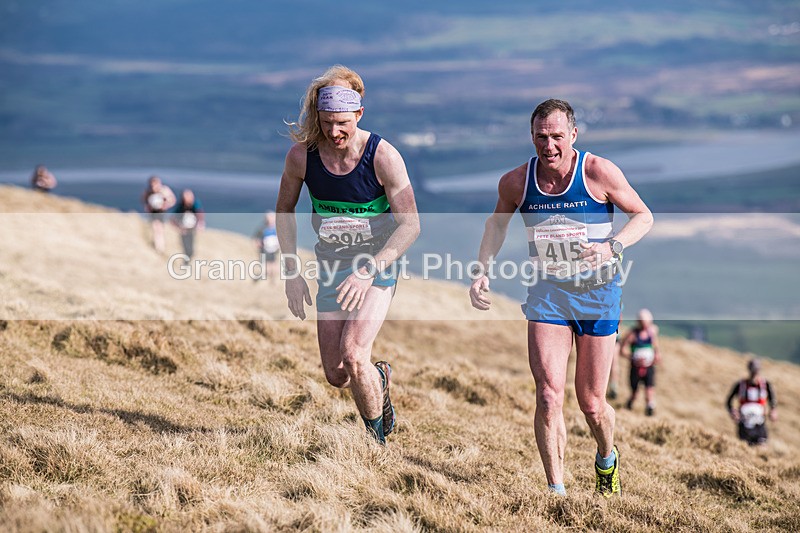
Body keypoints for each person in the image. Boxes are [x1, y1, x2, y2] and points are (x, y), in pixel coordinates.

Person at [469, 99, 653, 497]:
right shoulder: (517, 181)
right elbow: (495, 225)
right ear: (531, 136)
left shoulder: (597, 172)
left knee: (591, 403)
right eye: (540, 136)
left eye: (556, 136)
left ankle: (606, 457)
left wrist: (613, 247)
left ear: (573, 135)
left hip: (598, 296)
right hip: (548, 296)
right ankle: (557, 491)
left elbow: (643, 215)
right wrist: (482, 269)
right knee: (549, 393)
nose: (548, 145)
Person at [275, 65, 420, 445]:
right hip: (331, 267)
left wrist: (370, 269)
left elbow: (411, 225)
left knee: (355, 353)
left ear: (359, 114)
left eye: (342, 123)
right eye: (326, 124)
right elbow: (283, 212)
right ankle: (381, 378)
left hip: (377, 266)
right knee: (337, 373)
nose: (334, 132)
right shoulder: (302, 157)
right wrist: (292, 271)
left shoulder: (383, 156)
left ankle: (376, 447)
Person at [726, 358, 777, 446]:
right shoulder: (740, 385)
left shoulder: (765, 385)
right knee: (746, 448)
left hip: (759, 423)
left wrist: (773, 410)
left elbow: (772, 400)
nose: (754, 372)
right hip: (744, 424)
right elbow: (729, 401)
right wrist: (732, 411)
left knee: (762, 447)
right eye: (753, 369)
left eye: (756, 370)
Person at [620, 308, 661, 416]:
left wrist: (656, 356)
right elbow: (622, 350)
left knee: (649, 391)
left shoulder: (652, 333)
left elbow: (656, 349)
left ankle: (649, 411)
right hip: (635, 367)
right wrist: (633, 357)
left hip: (649, 367)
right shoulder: (632, 334)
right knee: (635, 393)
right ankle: (629, 406)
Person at [141, 175, 176, 254]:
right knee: (155, 228)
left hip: (161, 212)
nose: (154, 186)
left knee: (159, 229)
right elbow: (144, 200)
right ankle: (158, 247)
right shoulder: (148, 192)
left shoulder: (164, 190)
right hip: (153, 212)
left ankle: (160, 247)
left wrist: (165, 205)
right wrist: (148, 207)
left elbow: (172, 200)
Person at [171, 189, 205, 262]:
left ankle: (188, 259)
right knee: (185, 246)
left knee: (191, 249)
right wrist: (179, 227)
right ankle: (186, 262)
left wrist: (200, 224)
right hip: (183, 229)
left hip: (191, 229)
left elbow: (200, 214)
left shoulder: (195, 204)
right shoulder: (180, 207)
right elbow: (173, 218)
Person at [253, 211, 280, 284]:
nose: (271, 220)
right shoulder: (263, 229)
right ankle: (266, 279)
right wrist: (259, 244)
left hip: (274, 250)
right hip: (265, 249)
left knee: (274, 265)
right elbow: (256, 238)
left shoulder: (277, 228)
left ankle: (273, 280)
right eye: (269, 218)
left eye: (272, 218)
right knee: (267, 265)